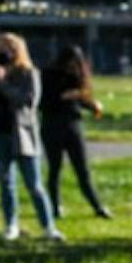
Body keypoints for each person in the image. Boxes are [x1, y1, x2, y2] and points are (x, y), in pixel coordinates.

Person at [0, 31, 59, 241]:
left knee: (34, 185)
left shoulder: (29, 73)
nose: (1, 52)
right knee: (6, 183)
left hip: (23, 136)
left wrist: (4, 84)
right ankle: (11, 224)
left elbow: (28, 102)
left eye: (6, 48)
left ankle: (48, 226)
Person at [40, 44, 111, 220]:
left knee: (82, 169)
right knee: (55, 168)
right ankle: (55, 206)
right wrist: (63, 97)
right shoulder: (48, 75)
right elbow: (42, 102)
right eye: (70, 63)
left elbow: (79, 98)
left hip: (73, 125)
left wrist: (92, 106)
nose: (72, 67)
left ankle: (97, 205)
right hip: (52, 125)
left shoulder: (76, 76)